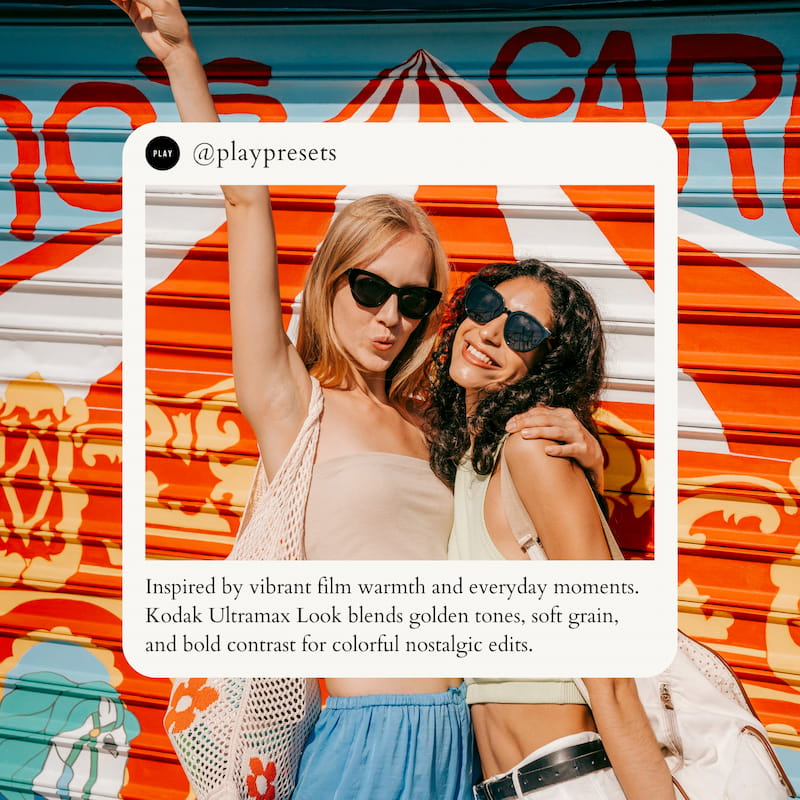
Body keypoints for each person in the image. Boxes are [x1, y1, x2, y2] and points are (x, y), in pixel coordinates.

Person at [112, 3, 607, 798]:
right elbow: (246, 203)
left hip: (468, 736)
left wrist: (596, 448)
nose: (390, 316)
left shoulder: (434, 421)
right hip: (369, 741)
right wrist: (180, 58)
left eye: (413, 301)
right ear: (328, 284)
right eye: (371, 288)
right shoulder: (290, 404)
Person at [426, 259, 674, 800]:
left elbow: (610, 671)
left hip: (566, 782)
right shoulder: (467, 461)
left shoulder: (532, 447)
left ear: (545, 362)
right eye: (486, 306)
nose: (490, 332)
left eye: (522, 332)